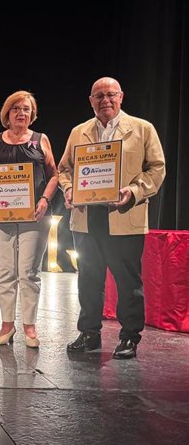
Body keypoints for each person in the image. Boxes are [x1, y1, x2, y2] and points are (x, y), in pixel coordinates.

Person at [59, 77, 166, 359]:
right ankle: (89, 333)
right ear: (90, 100)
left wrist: (133, 191)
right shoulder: (78, 131)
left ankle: (130, 336)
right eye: (99, 96)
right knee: (89, 278)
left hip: (123, 214)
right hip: (86, 218)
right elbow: (64, 170)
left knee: (128, 281)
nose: (105, 100)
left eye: (110, 95)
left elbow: (156, 169)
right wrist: (69, 189)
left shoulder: (143, 129)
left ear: (121, 97)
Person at [0, 91, 59, 348]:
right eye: (16, 109)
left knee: (29, 272)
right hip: (0, 216)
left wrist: (44, 199)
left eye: (25, 109)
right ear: (7, 114)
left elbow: (54, 174)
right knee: (4, 271)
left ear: (32, 114)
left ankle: (30, 326)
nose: (21, 113)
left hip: (34, 216)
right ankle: (6, 324)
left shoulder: (40, 139)